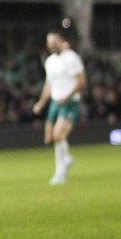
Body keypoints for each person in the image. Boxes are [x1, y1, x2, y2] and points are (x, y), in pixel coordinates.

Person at [32, 30, 85, 185]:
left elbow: (81, 82)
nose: (52, 45)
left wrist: (67, 97)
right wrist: (41, 103)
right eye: (49, 42)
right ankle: (65, 159)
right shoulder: (49, 62)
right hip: (55, 102)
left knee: (58, 134)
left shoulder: (71, 58)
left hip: (69, 102)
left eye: (54, 41)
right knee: (49, 138)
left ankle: (60, 170)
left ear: (61, 41)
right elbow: (49, 85)